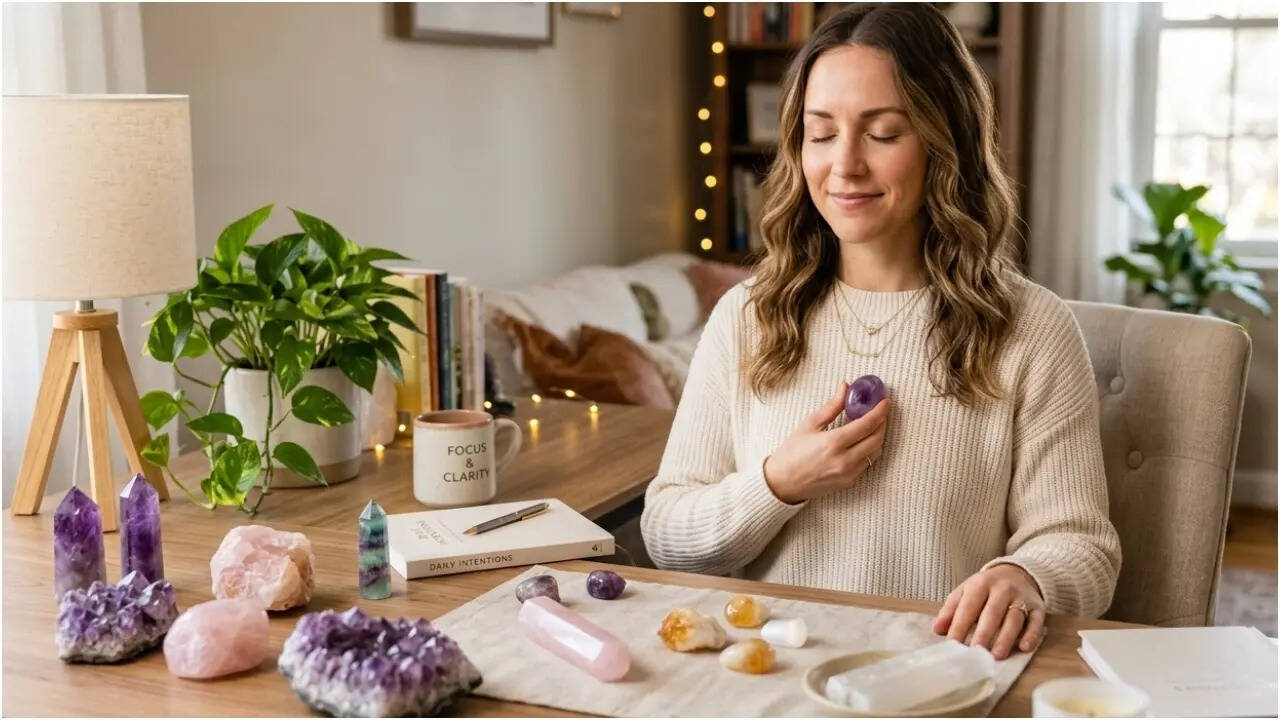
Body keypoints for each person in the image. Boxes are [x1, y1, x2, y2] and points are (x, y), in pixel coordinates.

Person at [640, 3, 1120, 661]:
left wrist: (1026, 576)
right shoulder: (747, 317)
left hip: (941, 681)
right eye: (821, 133)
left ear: (943, 142)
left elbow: (1083, 546)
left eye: (884, 133)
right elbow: (665, 532)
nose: (845, 166)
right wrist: (776, 482)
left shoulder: (1030, 330)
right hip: (767, 678)